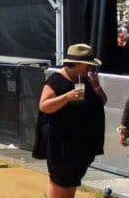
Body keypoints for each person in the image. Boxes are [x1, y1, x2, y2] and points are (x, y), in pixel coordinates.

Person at [33, 44, 106, 198]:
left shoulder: (86, 80)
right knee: (60, 182)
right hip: (61, 144)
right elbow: (44, 106)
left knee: (72, 181)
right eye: (88, 65)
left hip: (80, 144)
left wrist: (97, 87)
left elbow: (102, 101)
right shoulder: (56, 81)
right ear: (77, 64)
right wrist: (66, 97)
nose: (90, 68)